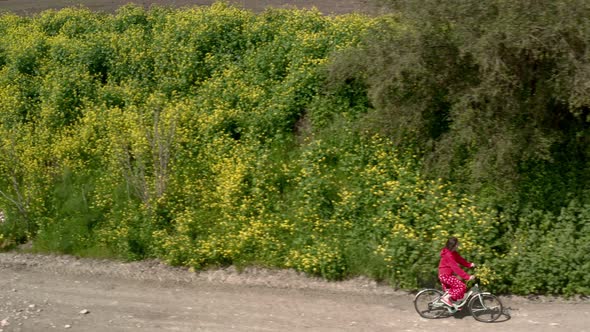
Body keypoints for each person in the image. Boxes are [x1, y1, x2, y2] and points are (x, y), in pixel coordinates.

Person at [438, 237, 475, 307]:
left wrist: (469, 265)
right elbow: (456, 268)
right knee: (461, 286)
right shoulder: (448, 255)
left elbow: (460, 260)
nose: (458, 246)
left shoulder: (452, 252)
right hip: (445, 276)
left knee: (459, 285)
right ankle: (446, 298)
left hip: (447, 275)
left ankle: (453, 303)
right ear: (453, 245)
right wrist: (467, 277)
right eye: (457, 244)